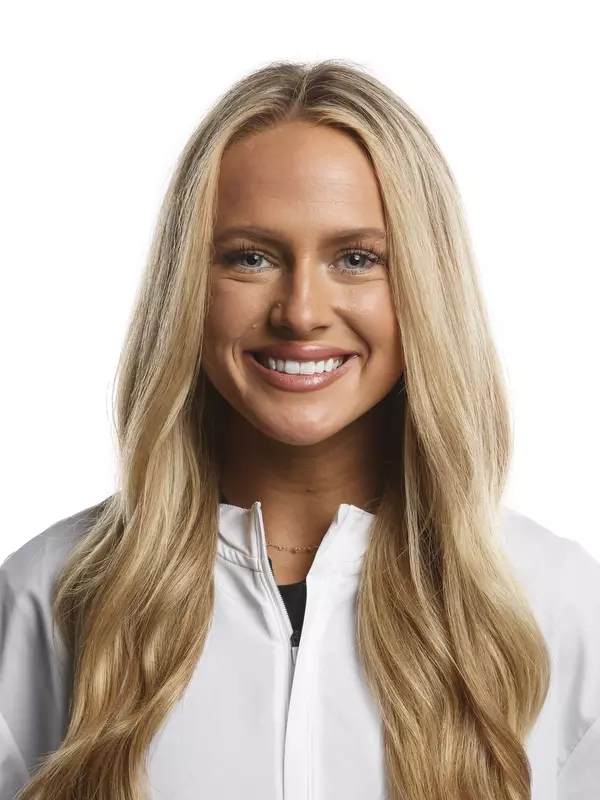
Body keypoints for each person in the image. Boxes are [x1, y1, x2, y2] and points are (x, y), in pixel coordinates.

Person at [1, 59, 599, 800]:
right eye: (251, 257)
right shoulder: (50, 596)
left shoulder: (553, 604)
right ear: (188, 286)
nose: (302, 312)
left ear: (425, 284)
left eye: (357, 258)